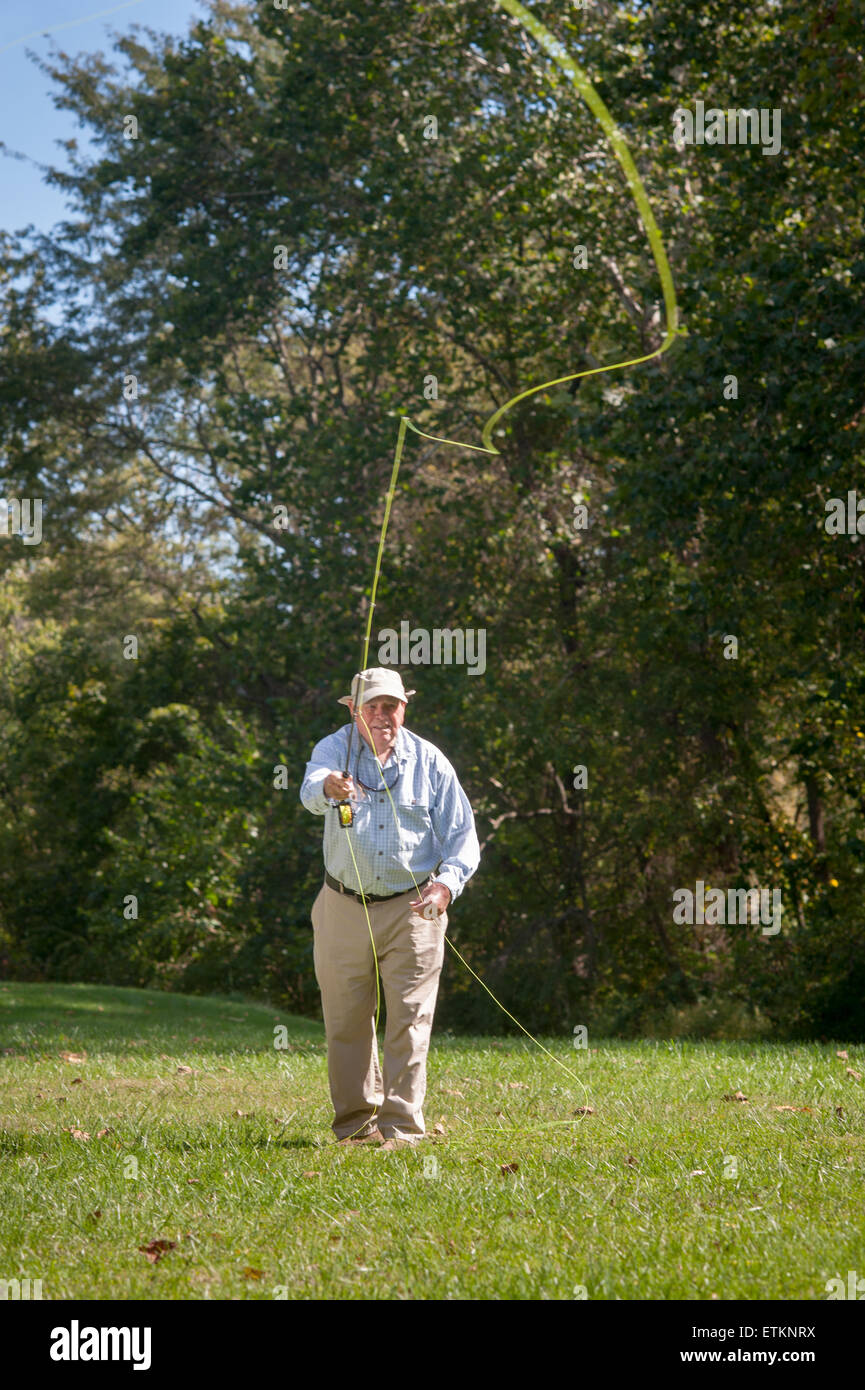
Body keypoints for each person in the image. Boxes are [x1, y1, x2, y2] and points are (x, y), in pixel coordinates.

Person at [300, 667, 480, 1149]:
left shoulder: (431, 761)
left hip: (414, 908)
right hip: (342, 903)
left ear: (405, 708)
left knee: (411, 1018)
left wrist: (445, 887)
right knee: (346, 1019)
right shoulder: (333, 748)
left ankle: (401, 1128)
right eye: (371, 706)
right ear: (354, 711)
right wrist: (330, 788)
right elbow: (310, 789)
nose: (382, 715)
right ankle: (356, 1127)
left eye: (391, 706)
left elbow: (464, 840)